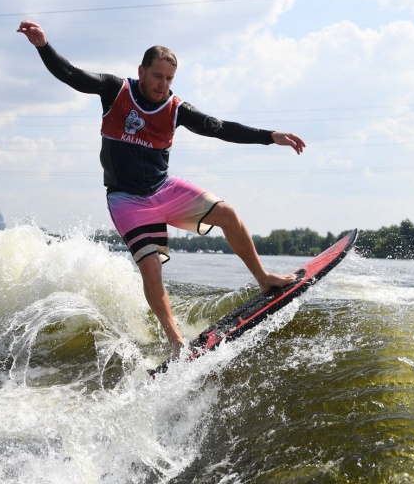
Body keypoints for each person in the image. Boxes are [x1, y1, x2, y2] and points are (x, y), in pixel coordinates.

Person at [17, 20, 306, 359]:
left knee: (226, 213)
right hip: (126, 199)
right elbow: (70, 74)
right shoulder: (115, 90)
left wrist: (269, 136)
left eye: (169, 79)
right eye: (157, 76)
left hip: (164, 188)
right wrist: (43, 46)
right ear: (142, 70)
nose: (163, 84)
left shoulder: (176, 108)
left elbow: (220, 128)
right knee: (150, 263)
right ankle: (175, 338)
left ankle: (264, 278)